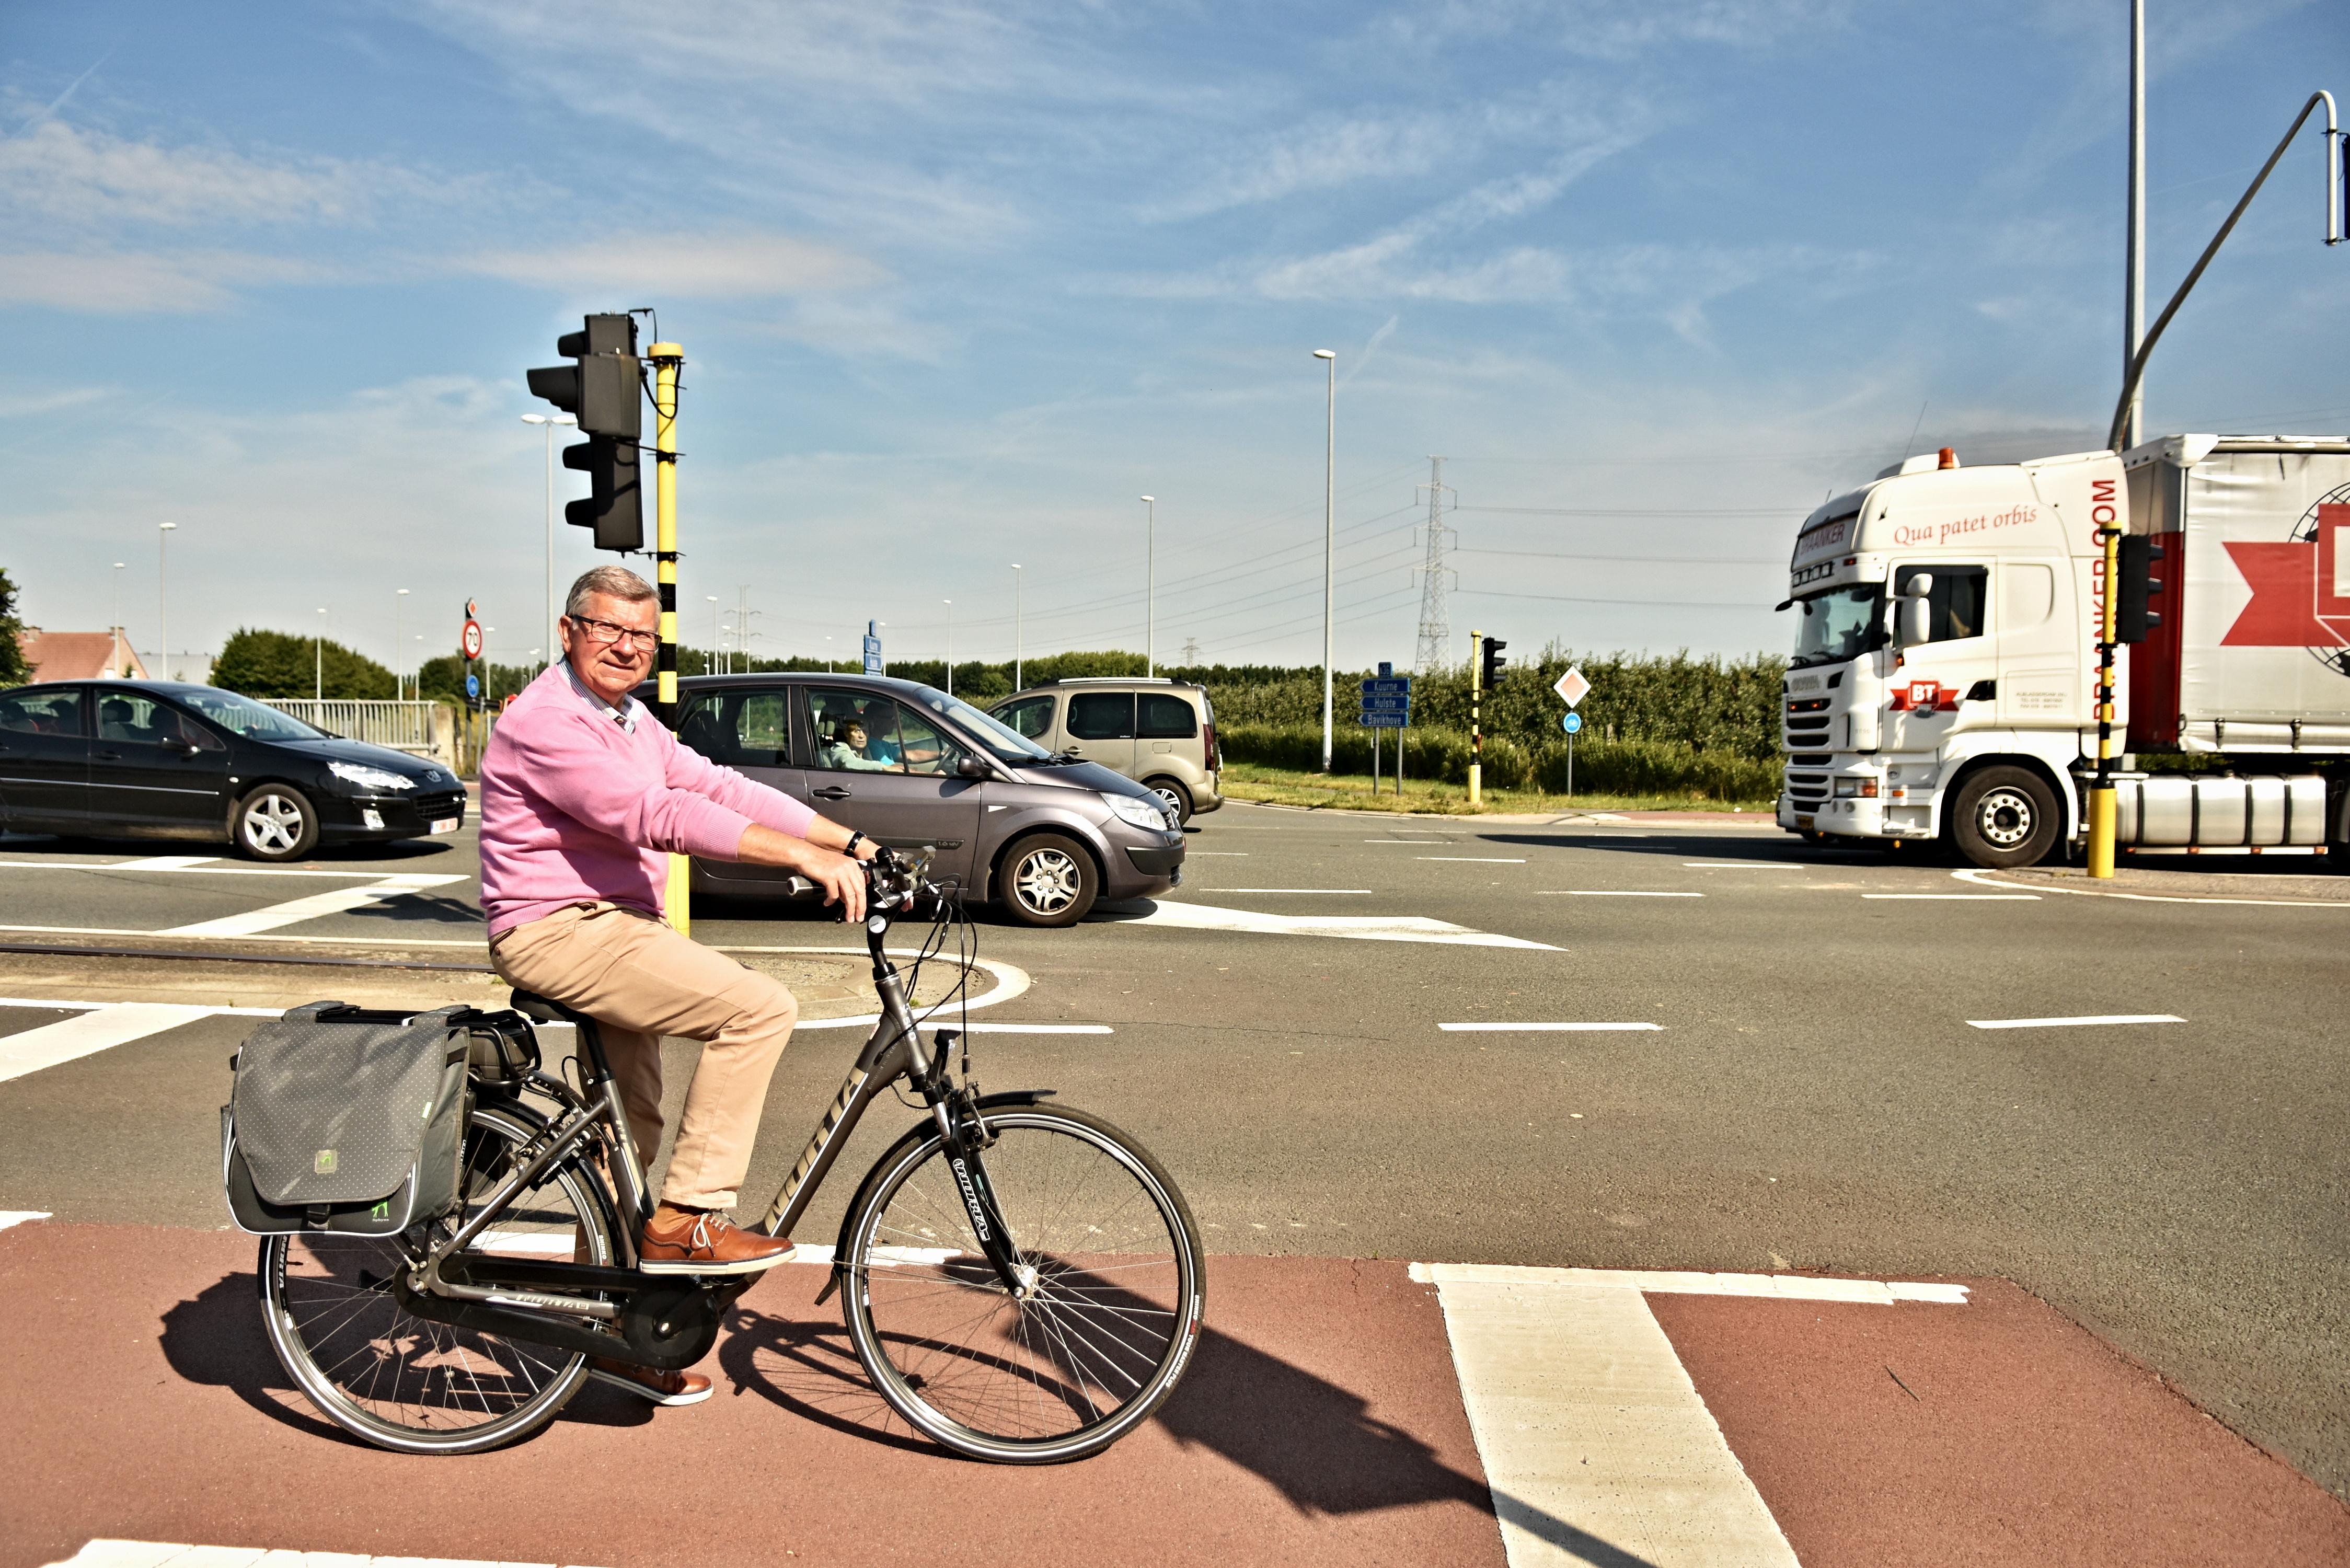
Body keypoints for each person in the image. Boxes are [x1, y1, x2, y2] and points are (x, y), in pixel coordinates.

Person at [479, 564, 879, 1408]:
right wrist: (801, 858)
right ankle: (688, 1221)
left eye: (642, 635)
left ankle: (610, 1333)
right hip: (560, 928)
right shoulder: (548, 721)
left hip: (614, 927)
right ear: (568, 632)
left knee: (628, 1137)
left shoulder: (626, 718)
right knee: (758, 1008)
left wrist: (853, 841)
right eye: (607, 630)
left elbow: (714, 784)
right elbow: (654, 817)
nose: (626, 647)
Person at [817, 718, 897, 772]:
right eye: (856, 731)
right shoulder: (839, 750)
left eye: (865, 731)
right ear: (847, 733)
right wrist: (883, 767)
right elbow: (849, 763)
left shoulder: (866, 750)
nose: (861, 736)